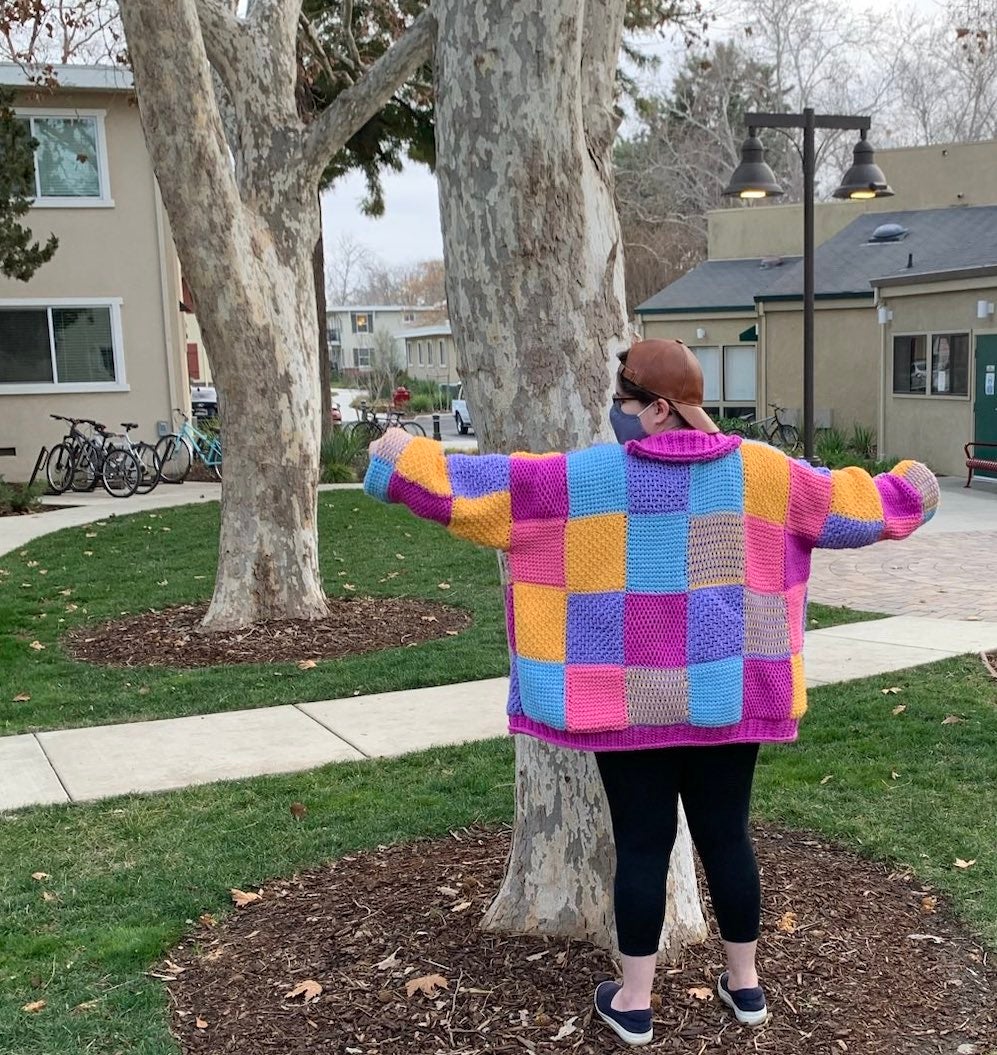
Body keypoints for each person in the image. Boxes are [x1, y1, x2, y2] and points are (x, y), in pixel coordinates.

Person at [363, 338, 939, 1047]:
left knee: (642, 844)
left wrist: (397, 457)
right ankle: (746, 986)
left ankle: (633, 1001)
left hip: (623, 703)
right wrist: (914, 485)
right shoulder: (766, 473)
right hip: (728, 698)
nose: (617, 413)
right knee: (728, 836)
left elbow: (475, 487)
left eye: (626, 402)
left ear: (660, 408)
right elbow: (862, 507)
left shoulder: (587, 478)